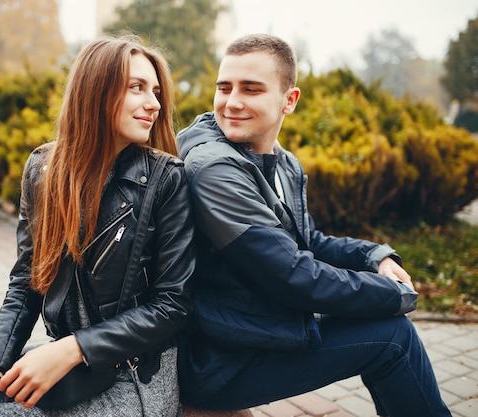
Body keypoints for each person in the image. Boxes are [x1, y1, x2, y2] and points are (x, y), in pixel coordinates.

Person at [0, 34, 195, 417]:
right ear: (95, 92)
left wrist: (72, 348)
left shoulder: (165, 179)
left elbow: (172, 305)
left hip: (134, 375)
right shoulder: (43, 171)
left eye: (155, 91)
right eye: (137, 88)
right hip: (67, 362)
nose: (154, 103)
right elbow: (26, 283)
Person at [176, 33, 451, 417]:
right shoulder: (214, 171)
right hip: (218, 360)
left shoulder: (281, 163)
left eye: (251, 89)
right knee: (393, 339)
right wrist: (392, 295)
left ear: (289, 100)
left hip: (254, 329)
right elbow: (291, 276)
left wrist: (375, 257)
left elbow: (308, 243)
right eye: (225, 87)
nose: (232, 102)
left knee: (389, 334)